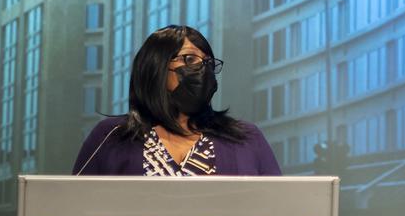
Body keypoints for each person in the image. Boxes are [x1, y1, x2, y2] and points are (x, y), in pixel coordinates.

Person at [72, 25, 281, 176]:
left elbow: (277, 208)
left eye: (208, 63)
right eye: (190, 59)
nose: (203, 70)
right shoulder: (111, 136)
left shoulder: (246, 138)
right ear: (156, 68)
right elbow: (74, 207)